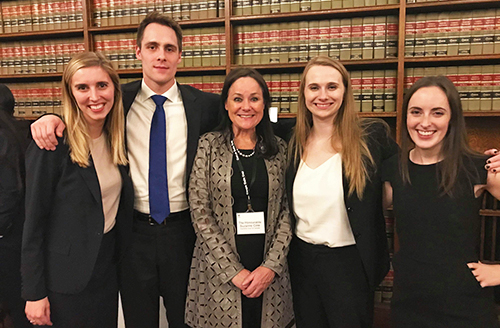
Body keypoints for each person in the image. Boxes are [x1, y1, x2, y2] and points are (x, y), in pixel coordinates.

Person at [29, 12, 221, 328]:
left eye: (170, 48)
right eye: (153, 46)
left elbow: (248, 120)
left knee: (189, 321)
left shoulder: (206, 106)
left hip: (185, 236)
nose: (161, 55)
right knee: (138, 321)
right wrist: (49, 119)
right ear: (138, 52)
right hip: (132, 237)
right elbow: (82, 107)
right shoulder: (117, 99)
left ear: (180, 55)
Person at [21, 52, 134, 327]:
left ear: (114, 90)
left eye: (102, 86)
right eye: (82, 88)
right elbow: (33, 223)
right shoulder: (53, 144)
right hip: (64, 281)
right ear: (71, 94)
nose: (94, 96)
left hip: (106, 273)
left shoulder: (118, 139)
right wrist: (34, 293)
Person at [285, 56, 399, 328]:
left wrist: (481, 163)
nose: (322, 95)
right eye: (314, 87)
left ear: (345, 91)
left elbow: (416, 169)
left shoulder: (372, 136)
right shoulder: (290, 141)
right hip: (302, 262)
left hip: (350, 264)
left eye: (332, 87)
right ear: (303, 93)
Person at [381, 76, 500, 328]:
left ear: (452, 118)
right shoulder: (393, 168)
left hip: (464, 308)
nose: (425, 122)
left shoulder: (480, 168)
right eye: (416, 112)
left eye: (437, 112)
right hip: (408, 305)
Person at [186, 68, 293, 328]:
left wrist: (270, 267)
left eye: (254, 99)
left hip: (270, 273)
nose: (246, 106)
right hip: (218, 274)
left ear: (265, 103)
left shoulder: (280, 149)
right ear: (226, 103)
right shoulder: (207, 146)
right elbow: (200, 212)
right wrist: (233, 271)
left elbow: (289, 212)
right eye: (238, 99)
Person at [0, 84, 32, 328]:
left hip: (7, 237)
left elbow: (10, 191)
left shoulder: (4, 134)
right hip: (25, 234)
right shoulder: (25, 129)